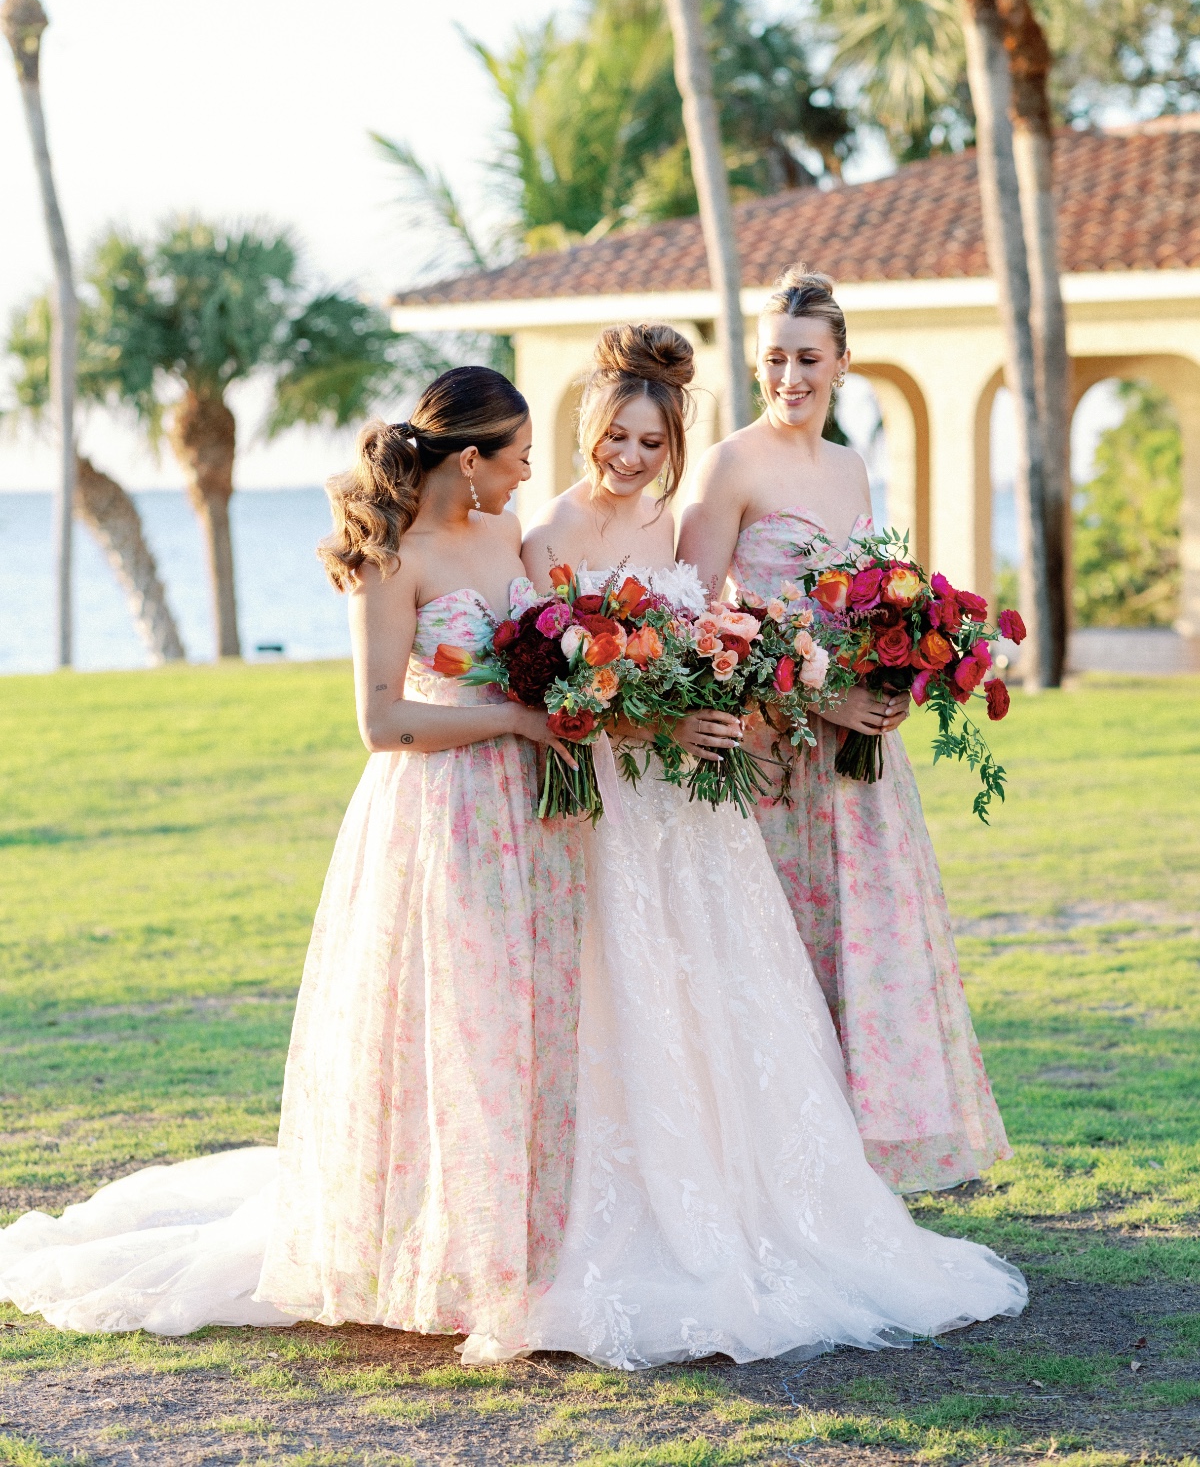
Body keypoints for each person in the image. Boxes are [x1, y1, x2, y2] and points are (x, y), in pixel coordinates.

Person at [0, 367, 586, 1355]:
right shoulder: (390, 560)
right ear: (473, 459)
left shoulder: (507, 538)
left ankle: (524, 1236)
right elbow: (381, 719)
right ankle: (436, 1251)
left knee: (523, 1017)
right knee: (450, 1020)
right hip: (437, 812)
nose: (531, 474)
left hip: (527, 812)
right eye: (521, 457)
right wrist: (517, 719)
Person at [516, 323, 1025, 1368]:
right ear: (587, 429)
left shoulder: (664, 529)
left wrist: (716, 703)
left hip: (693, 806)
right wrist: (655, 720)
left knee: (731, 989)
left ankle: (764, 1191)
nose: (631, 458)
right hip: (616, 801)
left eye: (652, 444)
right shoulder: (548, 536)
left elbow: (714, 632)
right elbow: (556, 686)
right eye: (617, 436)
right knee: (630, 993)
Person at [677, 270, 1011, 1194]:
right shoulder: (730, 465)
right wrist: (815, 701)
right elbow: (694, 623)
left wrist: (897, 672)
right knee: (778, 953)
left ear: (841, 363)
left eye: (808, 358)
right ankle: (771, 1170)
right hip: (774, 745)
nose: (790, 375)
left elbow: (863, 600)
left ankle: (849, 1175)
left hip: (859, 766)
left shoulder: (851, 468)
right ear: (756, 361)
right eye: (775, 357)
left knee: (857, 951)